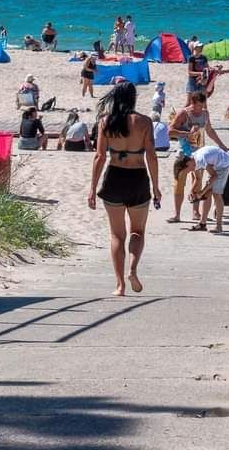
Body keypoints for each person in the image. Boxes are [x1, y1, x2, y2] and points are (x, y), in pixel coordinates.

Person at [88, 82, 162, 296]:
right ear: (133, 98)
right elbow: (152, 156)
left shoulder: (105, 122)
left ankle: (120, 285)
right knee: (137, 231)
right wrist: (156, 186)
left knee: (116, 235)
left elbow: (99, 156)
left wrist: (92, 188)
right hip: (137, 178)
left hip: (114, 178)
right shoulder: (144, 122)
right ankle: (133, 270)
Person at [167, 91, 226, 223]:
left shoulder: (205, 113)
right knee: (179, 182)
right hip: (184, 153)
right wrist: (187, 133)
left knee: (198, 181)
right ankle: (177, 214)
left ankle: (196, 212)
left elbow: (209, 130)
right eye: (198, 106)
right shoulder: (184, 113)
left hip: (200, 154)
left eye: (202, 105)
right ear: (192, 103)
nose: (200, 109)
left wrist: (221, 145)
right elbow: (170, 131)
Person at [176, 146, 229, 233]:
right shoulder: (193, 160)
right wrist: (192, 191)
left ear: (188, 163)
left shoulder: (200, 160)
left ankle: (219, 226)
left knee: (216, 194)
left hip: (223, 164)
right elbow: (197, 179)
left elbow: (214, 176)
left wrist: (201, 192)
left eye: (188, 170)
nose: (190, 171)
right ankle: (202, 224)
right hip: (215, 164)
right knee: (207, 194)